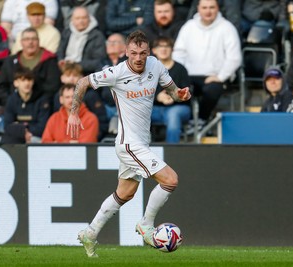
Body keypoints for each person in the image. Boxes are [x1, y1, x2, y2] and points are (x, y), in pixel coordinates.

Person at [66, 30, 191, 257]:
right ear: (126, 52)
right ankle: (147, 225)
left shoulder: (155, 66)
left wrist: (179, 94)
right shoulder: (116, 73)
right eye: (133, 53)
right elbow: (82, 82)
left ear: (149, 52)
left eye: (143, 52)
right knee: (170, 180)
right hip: (128, 144)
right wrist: (74, 113)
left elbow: (172, 91)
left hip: (142, 142)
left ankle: (90, 233)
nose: (138, 57)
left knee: (125, 193)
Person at [173, 0, 241, 126]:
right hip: (189, 75)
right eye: (204, 7)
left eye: (211, 7)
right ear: (198, 8)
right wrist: (181, 74)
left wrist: (220, 76)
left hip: (215, 76)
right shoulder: (189, 27)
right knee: (178, 88)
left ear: (217, 9)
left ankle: (201, 121)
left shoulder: (227, 28)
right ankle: (185, 123)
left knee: (212, 89)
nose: (208, 11)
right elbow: (178, 53)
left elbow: (234, 58)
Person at [0, 27, 61, 107]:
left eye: (34, 39)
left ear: (38, 41)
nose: (30, 42)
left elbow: (53, 87)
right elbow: (2, 87)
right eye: (27, 39)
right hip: (14, 107)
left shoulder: (50, 60)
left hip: (42, 108)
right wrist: (11, 103)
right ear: (21, 42)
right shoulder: (10, 62)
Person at [54, 61, 109, 140]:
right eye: (68, 75)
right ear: (62, 78)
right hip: (64, 139)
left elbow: (102, 123)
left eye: (75, 75)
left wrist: (92, 139)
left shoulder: (91, 96)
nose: (72, 79)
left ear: (82, 78)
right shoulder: (58, 96)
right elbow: (57, 120)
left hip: (89, 138)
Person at [151, 36, 191, 143]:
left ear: (172, 50)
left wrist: (175, 96)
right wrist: (158, 97)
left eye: (167, 46)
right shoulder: (147, 70)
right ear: (154, 50)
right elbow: (140, 93)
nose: (164, 49)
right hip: (154, 108)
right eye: (160, 46)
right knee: (136, 112)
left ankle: (171, 154)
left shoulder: (180, 69)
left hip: (178, 108)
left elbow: (188, 92)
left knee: (173, 115)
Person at [0, 68, 51, 144]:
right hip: (15, 137)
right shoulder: (11, 100)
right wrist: (27, 127)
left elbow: (42, 128)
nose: (27, 83)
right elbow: (7, 126)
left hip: (34, 137)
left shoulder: (42, 100)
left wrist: (20, 127)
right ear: (16, 83)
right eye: (23, 80)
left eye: (29, 80)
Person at [57, 6, 106, 75]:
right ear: (72, 19)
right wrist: (61, 60)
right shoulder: (66, 32)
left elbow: (99, 61)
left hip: (85, 73)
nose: (81, 21)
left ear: (89, 18)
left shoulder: (97, 36)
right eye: (77, 18)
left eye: (84, 18)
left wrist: (76, 64)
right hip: (65, 69)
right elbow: (60, 51)